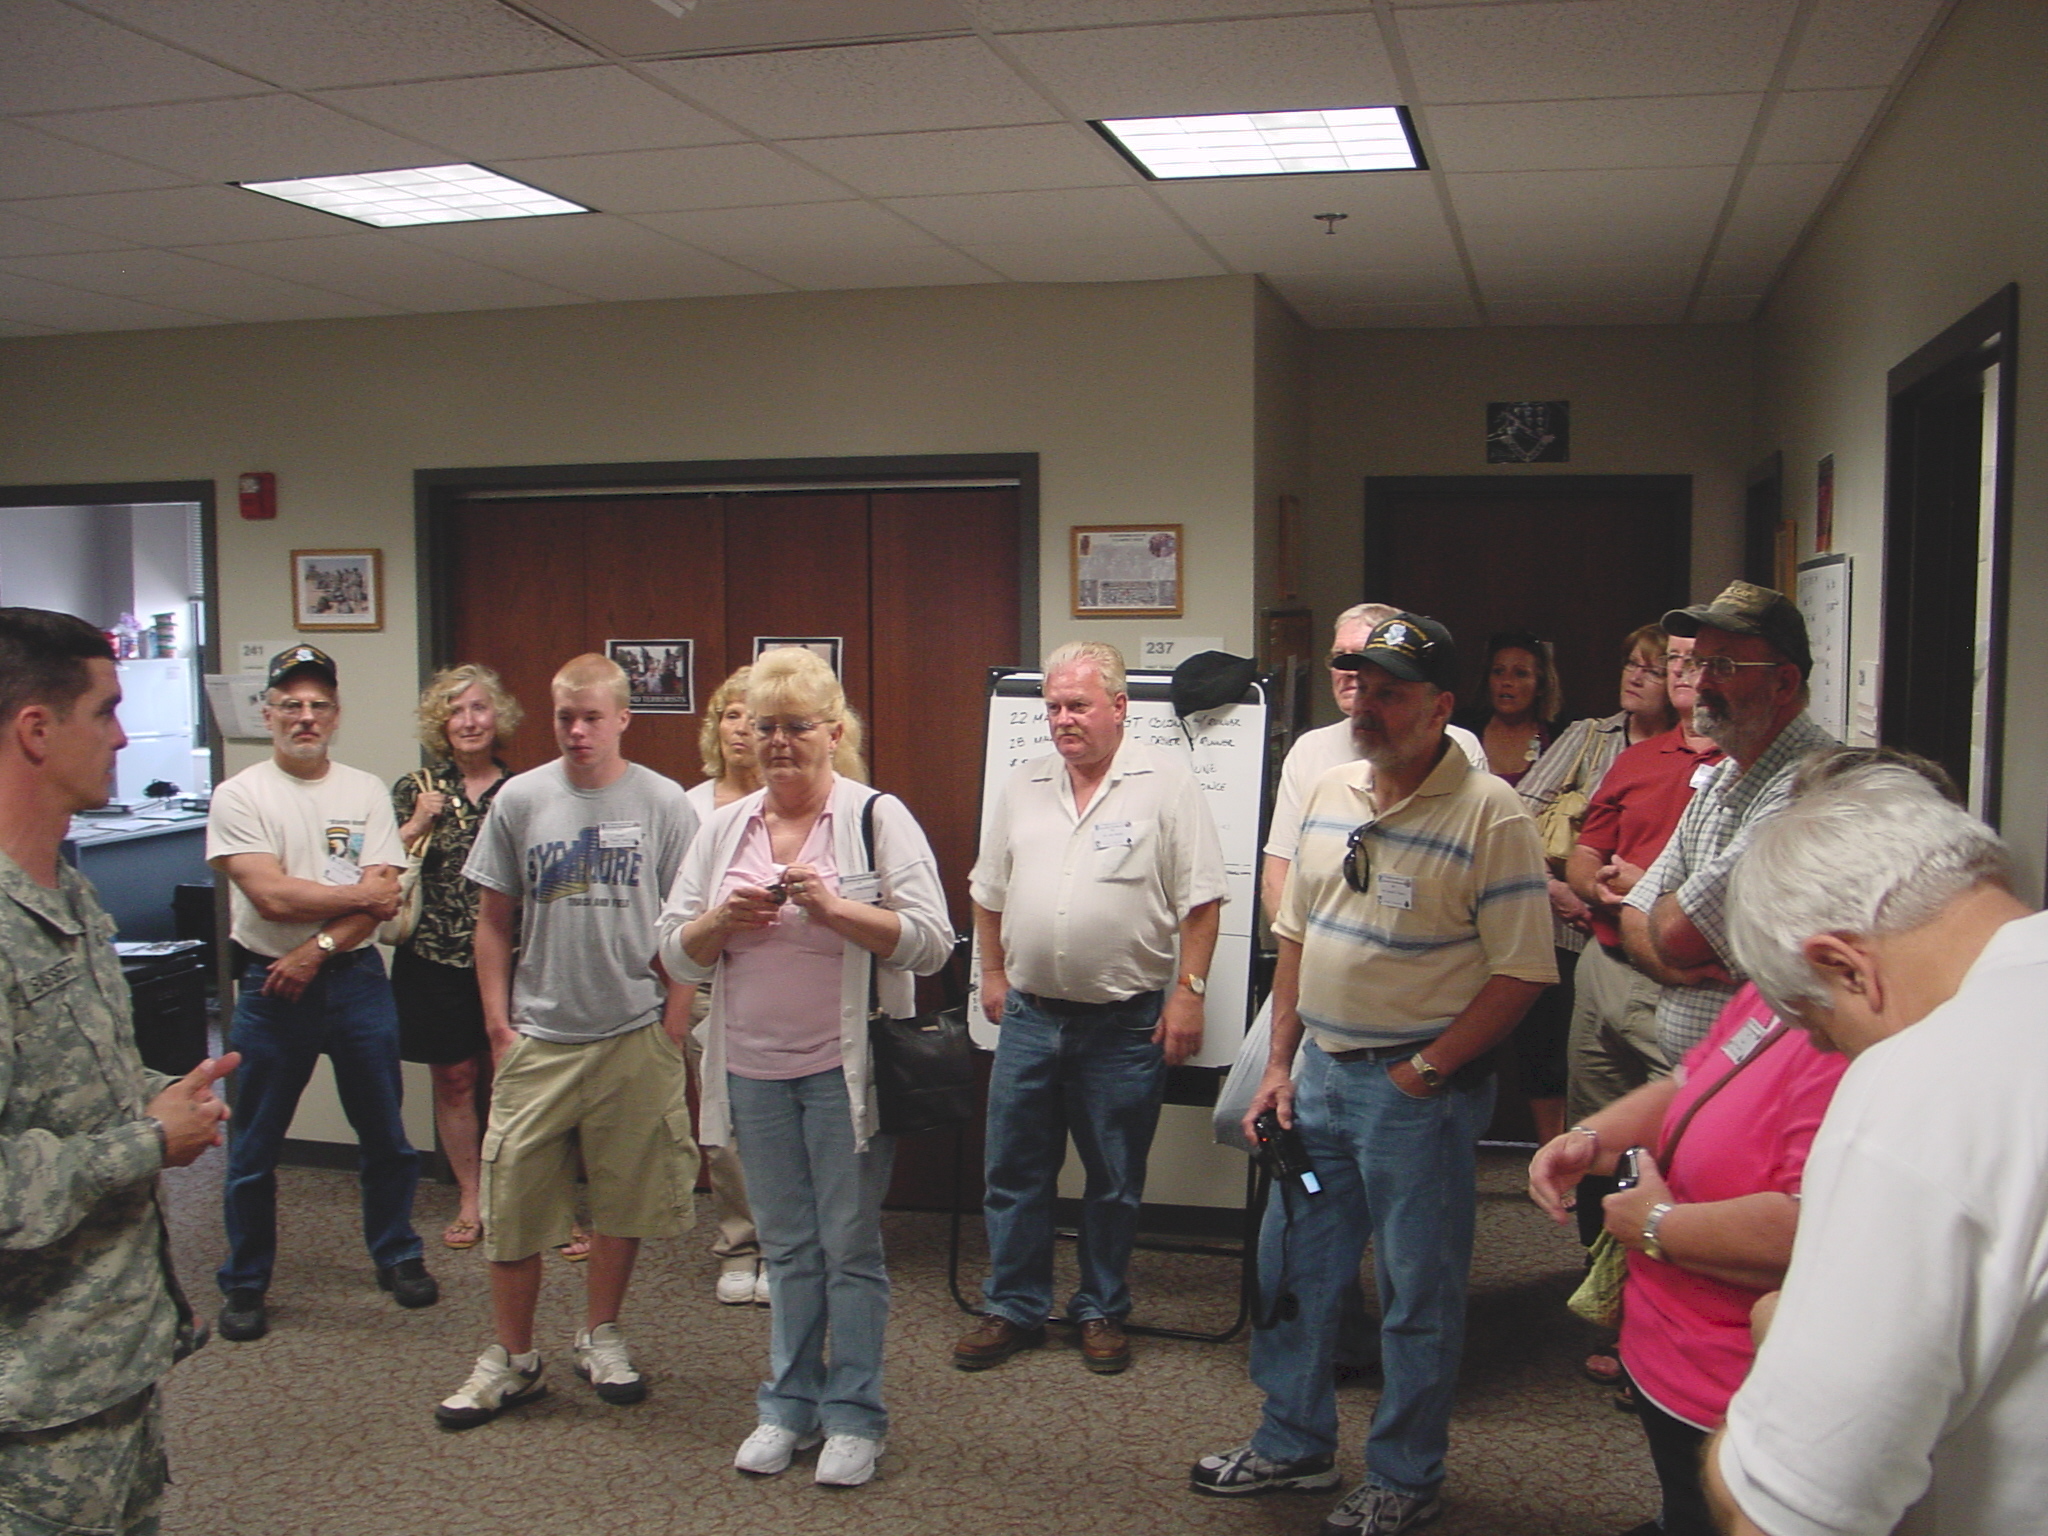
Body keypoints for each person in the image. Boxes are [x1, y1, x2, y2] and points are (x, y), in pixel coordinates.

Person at [1193, 613, 1555, 1535]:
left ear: (1440, 707)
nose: (1370, 707)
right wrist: (1279, 1065)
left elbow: (1522, 972)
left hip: (1412, 1105)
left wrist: (1426, 1071)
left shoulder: (1491, 813)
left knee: (1414, 1293)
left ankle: (1406, 1472)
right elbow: (1296, 937)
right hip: (1315, 1088)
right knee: (1295, 1265)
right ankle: (1293, 1443)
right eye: (1363, 687)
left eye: (1393, 693)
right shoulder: (1332, 789)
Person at [1698, 759, 2048, 1536]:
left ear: (1844, 967)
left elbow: (1785, 1512)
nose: (1835, 1055)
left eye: (1822, 1030)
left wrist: (1784, 1347)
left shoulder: (1921, 1085)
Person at [657, 647, 951, 1488]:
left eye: (798, 727)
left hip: (842, 1075)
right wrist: (723, 920)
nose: (780, 743)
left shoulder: (875, 817)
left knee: (848, 1247)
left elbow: (932, 942)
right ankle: (787, 1406)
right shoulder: (723, 828)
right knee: (785, 1249)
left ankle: (855, 1415)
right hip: (750, 1070)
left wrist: (834, 909)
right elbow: (673, 953)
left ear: (834, 732)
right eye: (766, 727)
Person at [0, 608, 236, 1536]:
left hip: (110, 1362)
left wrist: (157, 1097)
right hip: (29, 1401)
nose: (124, 737)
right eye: (104, 711)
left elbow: (76, 1078)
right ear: (36, 728)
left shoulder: (65, 891)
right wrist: (144, 1141)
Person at [435, 653, 699, 1429]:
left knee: (624, 1198)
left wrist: (675, 1020)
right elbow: (492, 922)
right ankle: (514, 1358)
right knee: (512, 1202)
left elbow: (690, 924)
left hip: (634, 1033)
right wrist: (498, 1025)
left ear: (623, 719)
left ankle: (601, 1332)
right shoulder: (521, 799)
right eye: (565, 718)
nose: (578, 731)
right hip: (540, 1035)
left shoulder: (664, 802)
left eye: (592, 717)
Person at [959, 639, 1226, 1377]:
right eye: (1053, 707)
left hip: (1123, 1024)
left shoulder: (1166, 784)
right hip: (1029, 1017)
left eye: (1077, 705)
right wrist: (991, 972)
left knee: (1112, 1179)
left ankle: (1102, 1306)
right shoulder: (1022, 783)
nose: (1062, 720)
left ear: (1119, 707)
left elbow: (1202, 902)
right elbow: (988, 891)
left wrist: (1189, 993)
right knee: (1013, 1173)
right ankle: (1013, 1305)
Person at [1527, 974, 1848, 1535]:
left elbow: (1821, 1229)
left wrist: (1658, 1226)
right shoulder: (1775, 988)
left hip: (1733, 1381)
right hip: (1667, 1348)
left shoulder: (1850, 1038)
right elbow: (1689, 1084)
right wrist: (1591, 1138)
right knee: (1683, 1504)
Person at [206, 643, 435, 1343]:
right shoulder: (240, 795)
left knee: (386, 1135)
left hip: (354, 981)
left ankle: (396, 1253)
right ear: (268, 714)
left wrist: (318, 949)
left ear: (335, 716)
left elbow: (384, 899)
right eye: (291, 705)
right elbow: (271, 897)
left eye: (318, 705)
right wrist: (356, 899)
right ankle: (246, 1281)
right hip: (270, 986)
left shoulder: (364, 791)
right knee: (254, 1146)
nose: (305, 717)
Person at [1621, 581, 1837, 1062]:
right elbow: (1634, 914)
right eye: (1698, 663)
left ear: (1783, 684)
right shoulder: (1724, 773)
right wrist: (1672, 959)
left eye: (1722, 666)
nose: (1699, 683)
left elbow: (1676, 932)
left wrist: (1669, 917)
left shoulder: (1810, 786)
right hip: (1697, 1069)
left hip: (1763, 1077)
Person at [1562, 633, 1723, 1240]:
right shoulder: (1636, 759)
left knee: (1676, 1135)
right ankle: (1594, 1264)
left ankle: (1656, 1262)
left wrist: (1645, 888)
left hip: (1682, 984)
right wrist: (1599, 885)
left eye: (1692, 660)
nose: (1680, 671)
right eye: (1672, 660)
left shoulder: (1740, 772)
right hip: (1604, 966)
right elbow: (1584, 854)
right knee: (1594, 1132)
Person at [1512, 624, 1680, 1146]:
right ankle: (1555, 1155)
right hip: (1564, 930)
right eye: (1632, 665)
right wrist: (1556, 887)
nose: (1637, 678)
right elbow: (1519, 817)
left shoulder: (1699, 754)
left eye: (1653, 670)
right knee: (1558, 1056)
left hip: (1643, 937)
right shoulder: (1591, 736)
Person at [390, 664, 519, 1252]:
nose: (468, 721)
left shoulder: (521, 790)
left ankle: (525, 1197)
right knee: (455, 1078)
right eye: (455, 711)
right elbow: (378, 870)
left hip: (513, 958)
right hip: (433, 959)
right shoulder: (414, 787)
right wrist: (417, 823)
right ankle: (471, 1195)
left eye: (478, 708)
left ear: (498, 716)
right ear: (439, 723)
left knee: (520, 1081)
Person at [1259, 603, 1483, 924]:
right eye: (1340, 656)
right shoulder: (1310, 751)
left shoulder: (1457, 749)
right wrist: (1298, 947)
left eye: (1364, 658)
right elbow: (1278, 871)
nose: (1351, 672)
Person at [680, 666, 769, 1306]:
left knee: (786, 1121)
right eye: (729, 715)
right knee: (723, 1124)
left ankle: (787, 1246)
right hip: (710, 985)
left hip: (785, 986)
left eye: (753, 716)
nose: (740, 728)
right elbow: (673, 911)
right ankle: (740, 1244)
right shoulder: (687, 808)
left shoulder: (801, 799)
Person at [1454, 630, 1563, 787]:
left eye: (1520, 674)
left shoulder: (1561, 737)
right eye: (1498, 672)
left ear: (1540, 685)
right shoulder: (1461, 731)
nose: (1506, 681)